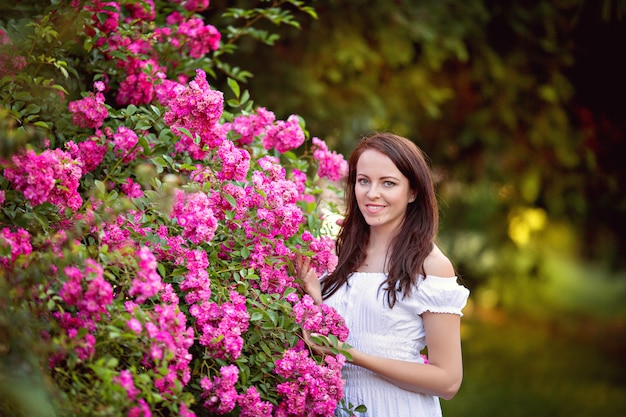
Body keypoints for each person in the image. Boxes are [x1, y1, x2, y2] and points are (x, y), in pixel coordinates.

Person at [297, 132, 470, 417]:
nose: (371, 193)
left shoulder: (430, 265)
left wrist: (349, 353)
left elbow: (448, 381)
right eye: (364, 181)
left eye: (388, 183)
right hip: (339, 408)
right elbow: (335, 338)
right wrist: (317, 302)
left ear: (413, 191)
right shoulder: (339, 252)